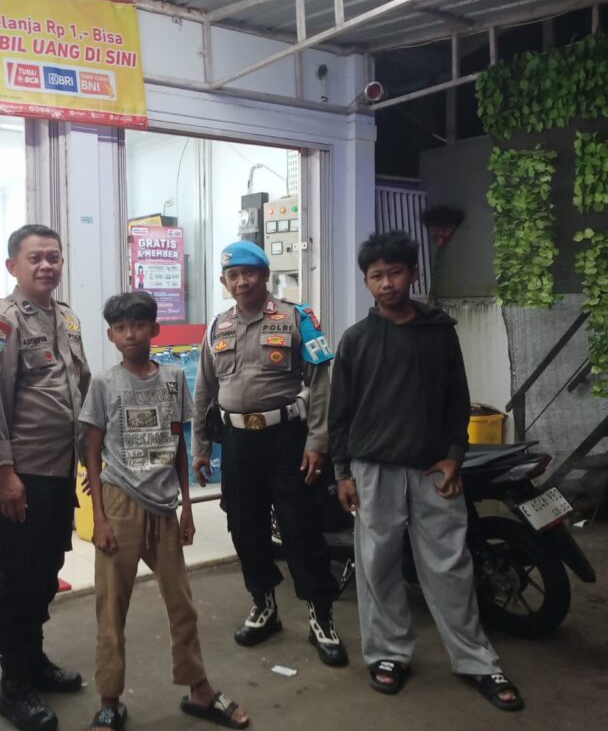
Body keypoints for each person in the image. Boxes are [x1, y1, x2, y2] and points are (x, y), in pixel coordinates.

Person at [329, 230, 524, 711]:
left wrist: (455, 454)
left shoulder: (440, 332)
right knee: (377, 565)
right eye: (376, 276)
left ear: (412, 274)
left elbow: (458, 397)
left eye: (395, 273)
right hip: (372, 468)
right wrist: (342, 471)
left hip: (433, 469)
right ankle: (388, 652)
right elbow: (340, 412)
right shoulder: (356, 340)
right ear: (366, 282)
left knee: (449, 566)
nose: (387, 283)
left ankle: (476, 659)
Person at [81, 291, 250, 731]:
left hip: (164, 507)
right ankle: (109, 700)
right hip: (119, 503)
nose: (130, 334)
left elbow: (177, 444)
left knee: (182, 604)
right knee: (111, 608)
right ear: (111, 335)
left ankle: (199, 690)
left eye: (138, 325)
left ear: (154, 329)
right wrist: (99, 518)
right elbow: (92, 451)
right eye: (120, 328)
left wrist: (187, 506)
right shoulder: (104, 384)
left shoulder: (174, 379)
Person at [192, 240, 347, 667]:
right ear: (224, 282)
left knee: (301, 528)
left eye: (249, 273)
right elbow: (204, 389)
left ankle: (321, 616)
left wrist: (318, 442)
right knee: (245, 526)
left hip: (287, 439)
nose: (241, 282)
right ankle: (264, 605)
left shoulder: (297, 318)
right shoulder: (217, 327)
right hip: (238, 442)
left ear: (265, 276)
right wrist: (200, 447)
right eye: (233, 276)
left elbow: (321, 383)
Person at [0, 224, 91, 731]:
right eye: (35, 258)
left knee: (46, 569)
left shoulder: (66, 318)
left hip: (59, 469)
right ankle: (13, 682)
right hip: (21, 474)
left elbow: (80, 386)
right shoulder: (1, 323)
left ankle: (33, 659)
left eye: (54, 257)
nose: (47, 266)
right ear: (12, 266)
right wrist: (4, 474)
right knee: (19, 577)